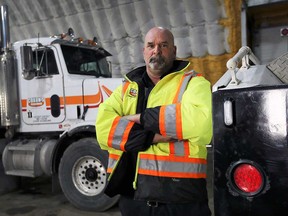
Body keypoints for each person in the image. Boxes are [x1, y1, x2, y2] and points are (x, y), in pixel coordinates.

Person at [96, 26, 212, 216]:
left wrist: (139, 118)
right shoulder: (126, 88)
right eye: (151, 45)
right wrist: (152, 137)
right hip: (134, 201)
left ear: (174, 51)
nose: (156, 51)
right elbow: (103, 131)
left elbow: (201, 124)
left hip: (181, 200)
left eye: (163, 45)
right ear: (144, 51)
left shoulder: (194, 83)